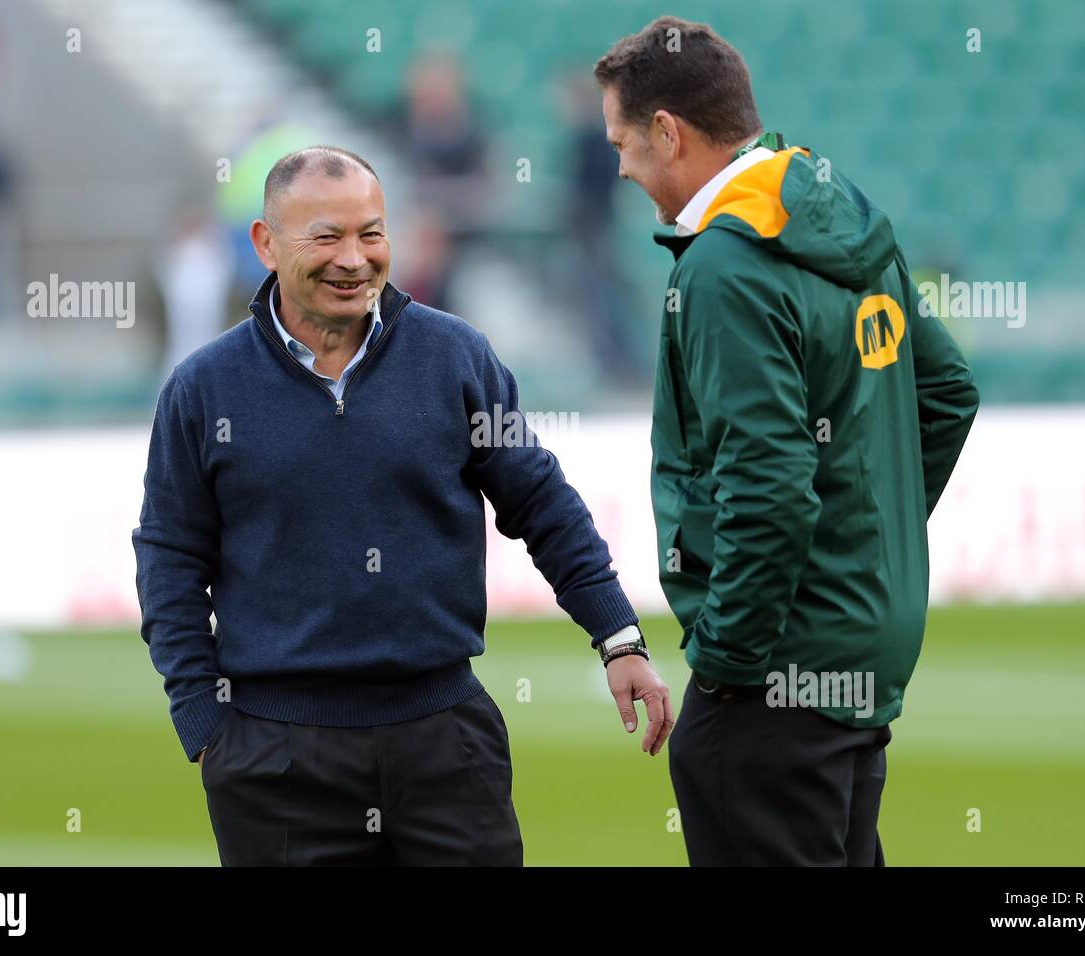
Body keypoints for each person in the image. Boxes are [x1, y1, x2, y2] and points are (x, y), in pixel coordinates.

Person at [131, 145, 673, 866]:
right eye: (326, 236)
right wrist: (202, 720)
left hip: (446, 744)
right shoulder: (202, 389)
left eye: (372, 233)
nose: (354, 258)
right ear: (265, 244)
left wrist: (618, 637)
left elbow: (541, 502)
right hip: (274, 761)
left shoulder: (456, 357)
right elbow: (169, 556)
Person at [595, 17, 979, 865]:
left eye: (623, 141)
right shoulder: (846, 215)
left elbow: (768, 483)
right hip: (857, 648)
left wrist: (728, 656)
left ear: (669, 132)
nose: (618, 164)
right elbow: (946, 393)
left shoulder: (725, 266)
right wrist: (863, 545)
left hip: (774, 669)